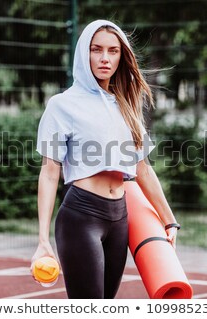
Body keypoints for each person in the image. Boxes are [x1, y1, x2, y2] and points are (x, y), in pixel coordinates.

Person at [31, 19, 180, 299]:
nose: (104, 58)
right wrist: (42, 239)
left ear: (121, 56)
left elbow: (143, 170)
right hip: (81, 216)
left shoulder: (126, 104)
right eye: (96, 49)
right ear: (83, 53)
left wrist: (169, 220)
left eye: (113, 51)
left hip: (120, 218)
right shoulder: (62, 104)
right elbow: (50, 173)